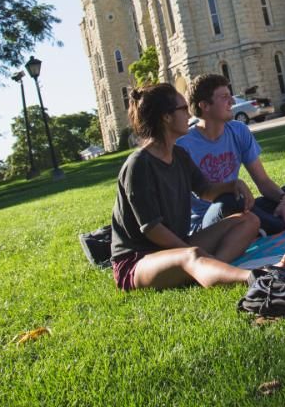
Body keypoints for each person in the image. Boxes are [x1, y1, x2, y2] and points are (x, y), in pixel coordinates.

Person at [110, 83, 263, 292]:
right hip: (139, 260)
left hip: (178, 244)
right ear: (166, 117)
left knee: (249, 221)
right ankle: (258, 278)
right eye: (183, 109)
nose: (189, 114)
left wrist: (233, 184)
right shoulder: (139, 165)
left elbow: (205, 191)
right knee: (192, 256)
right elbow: (152, 229)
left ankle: (211, 269)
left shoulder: (179, 155)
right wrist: (190, 249)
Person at [178, 74, 285, 235]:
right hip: (208, 222)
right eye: (224, 97)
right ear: (205, 106)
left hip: (244, 208)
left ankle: (267, 226)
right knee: (230, 199)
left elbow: (262, 181)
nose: (232, 102)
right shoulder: (183, 145)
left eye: (230, 95)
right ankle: (284, 226)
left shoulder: (238, 130)